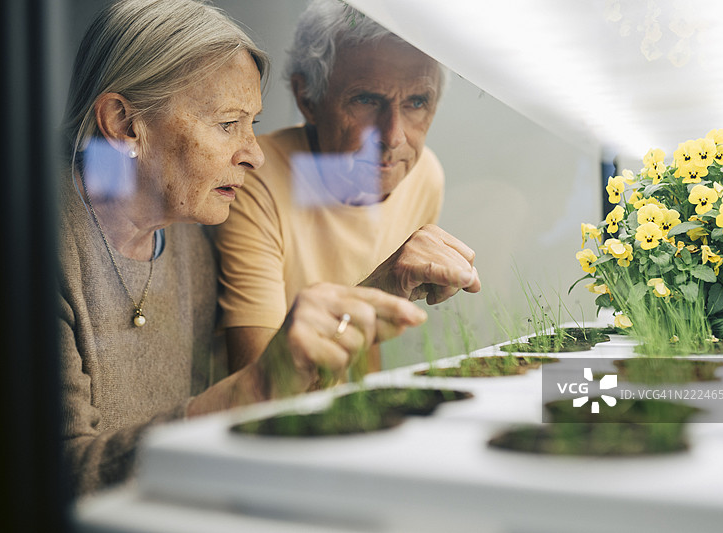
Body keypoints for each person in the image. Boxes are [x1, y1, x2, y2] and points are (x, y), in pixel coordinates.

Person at [59, 0, 427, 496]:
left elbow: (267, 386)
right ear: (124, 124)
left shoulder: (189, 236)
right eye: (228, 124)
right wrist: (253, 388)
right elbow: (52, 480)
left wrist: (383, 287)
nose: (254, 154)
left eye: (252, 124)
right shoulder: (28, 248)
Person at [215, 0, 481, 375]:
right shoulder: (254, 180)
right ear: (308, 98)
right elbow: (258, 386)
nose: (394, 137)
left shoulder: (423, 175)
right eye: (367, 100)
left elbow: (366, 345)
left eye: (417, 102)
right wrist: (382, 288)